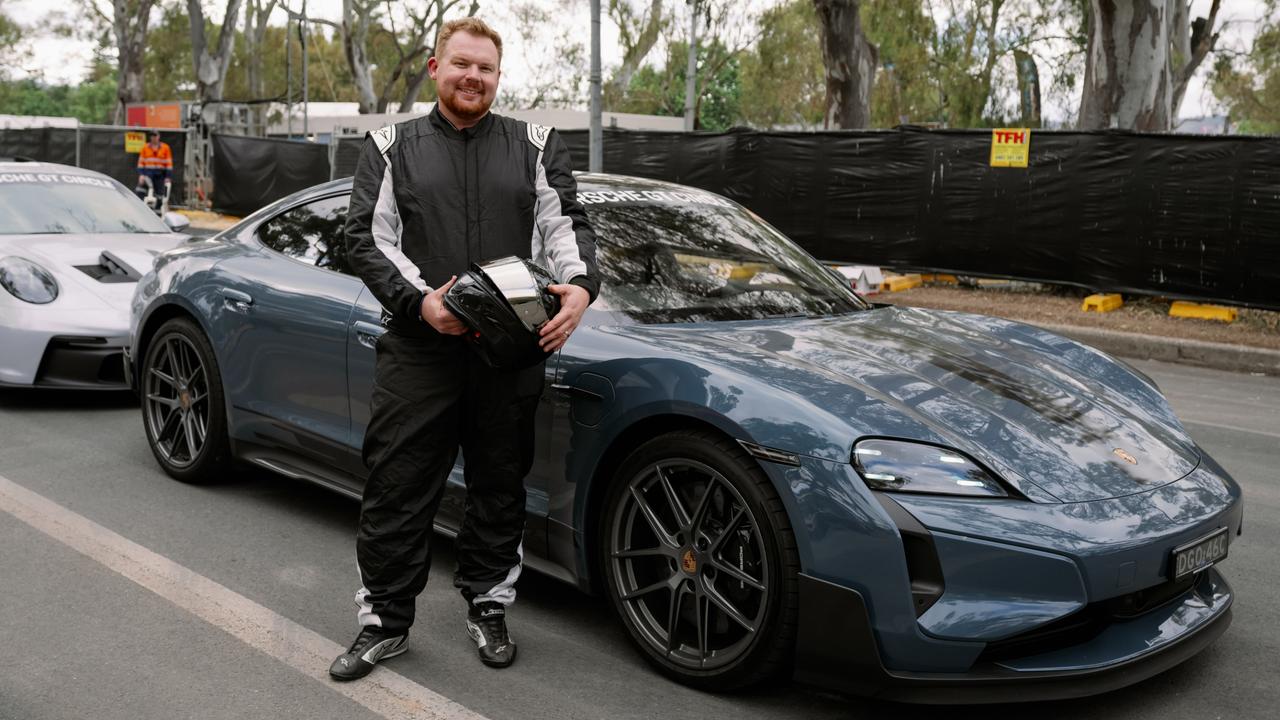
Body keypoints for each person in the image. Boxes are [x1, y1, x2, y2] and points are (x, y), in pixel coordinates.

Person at [331, 16, 600, 681]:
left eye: (486, 68)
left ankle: (488, 604)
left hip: (509, 350)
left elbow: (565, 224)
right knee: (396, 487)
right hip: (420, 348)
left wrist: (580, 290)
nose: (473, 76)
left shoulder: (535, 143)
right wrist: (421, 303)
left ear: (498, 77)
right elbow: (366, 238)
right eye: (462, 64)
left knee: (499, 486)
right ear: (435, 67)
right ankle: (385, 623)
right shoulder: (392, 145)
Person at [134, 131, 173, 206]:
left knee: (160, 195)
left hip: (160, 175)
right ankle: (140, 208)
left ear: (159, 136)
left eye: (155, 135)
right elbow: (141, 163)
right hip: (147, 174)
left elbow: (169, 164)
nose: (153, 137)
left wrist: (168, 176)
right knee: (140, 191)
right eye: (152, 136)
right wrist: (141, 175)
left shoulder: (165, 148)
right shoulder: (145, 147)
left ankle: (158, 212)